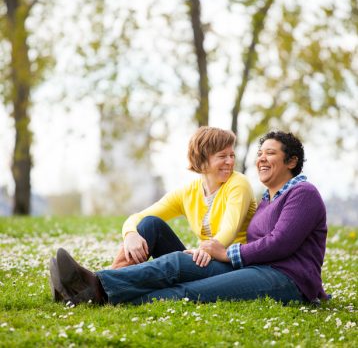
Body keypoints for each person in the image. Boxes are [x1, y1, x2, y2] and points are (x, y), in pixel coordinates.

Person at [50, 131, 329, 306]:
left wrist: (227, 252)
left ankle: (96, 289)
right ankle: (96, 288)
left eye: (270, 153)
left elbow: (279, 243)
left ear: (291, 162)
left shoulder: (303, 194)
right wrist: (130, 232)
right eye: (259, 154)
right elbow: (143, 217)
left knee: (185, 289)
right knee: (166, 252)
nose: (260, 159)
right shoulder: (270, 199)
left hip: (287, 279)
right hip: (251, 267)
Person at [110, 126, 256, 270]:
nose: (230, 162)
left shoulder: (238, 184)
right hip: (204, 260)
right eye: (222, 156)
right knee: (150, 224)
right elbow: (138, 217)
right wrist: (130, 234)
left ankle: (107, 283)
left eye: (232, 155)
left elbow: (229, 229)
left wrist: (206, 250)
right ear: (202, 160)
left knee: (175, 261)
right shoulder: (187, 193)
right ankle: (111, 276)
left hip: (230, 263)